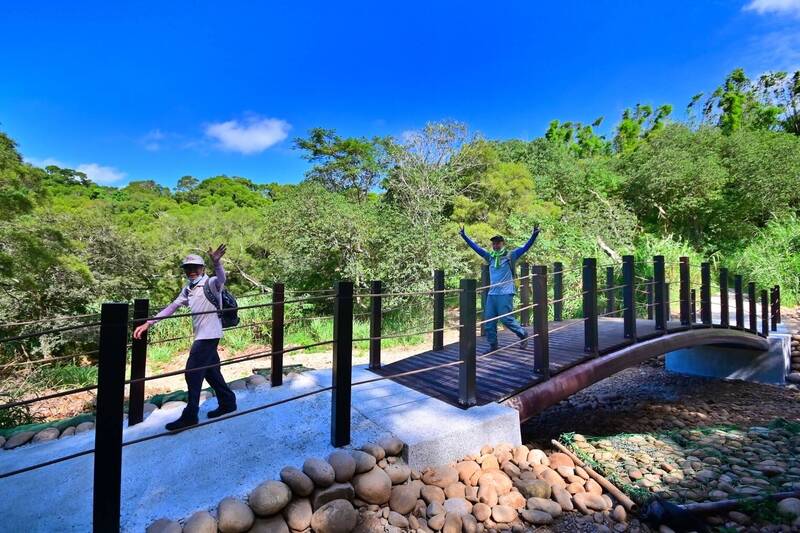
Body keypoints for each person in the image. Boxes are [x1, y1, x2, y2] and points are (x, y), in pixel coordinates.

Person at [133, 245, 237, 431]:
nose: (192, 271)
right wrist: (149, 323)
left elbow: (221, 278)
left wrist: (217, 262)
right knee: (212, 372)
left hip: (209, 335)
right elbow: (171, 308)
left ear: (203, 268)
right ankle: (228, 403)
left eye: (195, 267)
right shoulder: (188, 290)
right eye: (188, 268)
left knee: (192, 373)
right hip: (203, 335)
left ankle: (190, 415)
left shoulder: (211, 283)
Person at [459, 226, 541, 353]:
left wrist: (534, 235)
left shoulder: (510, 255)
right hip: (492, 294)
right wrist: (464, 236)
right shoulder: (490, 257)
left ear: (503, 243)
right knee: (489, 322)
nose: (495, 245)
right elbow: (477, 249)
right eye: (494, 243)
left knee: (506, 319)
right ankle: (493, 345)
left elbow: (525, 248)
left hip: (506, 292)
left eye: (498, 243)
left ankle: (523, 334)